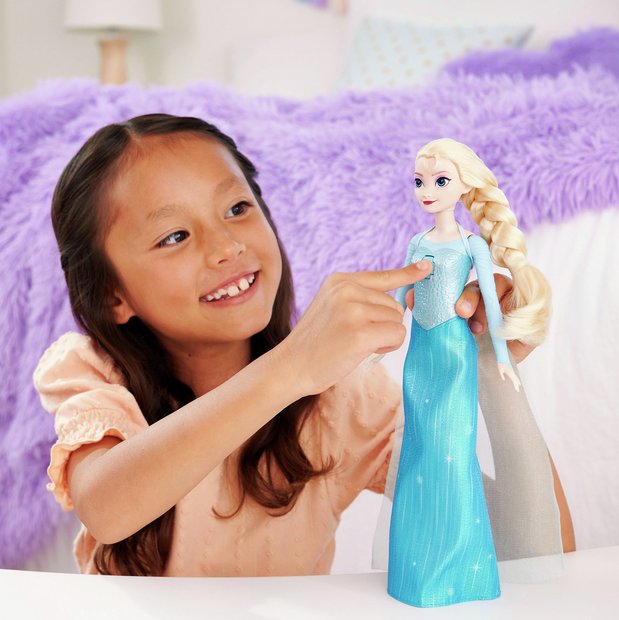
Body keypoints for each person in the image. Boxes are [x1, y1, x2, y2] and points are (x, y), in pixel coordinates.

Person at [33, 115, 573, 577]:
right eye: (174, 236)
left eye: (237, 209)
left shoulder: (342, 402)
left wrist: (491, 373)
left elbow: (533, 553)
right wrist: (290, 368)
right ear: (112, 296)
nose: (227, 247)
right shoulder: (92, 374)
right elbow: (106, 507)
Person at [386, 138, 563, 607]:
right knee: (419, 452)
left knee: (451, 453)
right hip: (420, 354)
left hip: (456, 352)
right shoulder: (417, 242)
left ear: (464, 186)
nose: (427, 191)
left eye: (440, 181)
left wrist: (501, 357)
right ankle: (416, 571)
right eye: (419, 181)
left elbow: (489, 300)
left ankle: (463, 573)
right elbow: (400, 294)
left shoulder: (472, 245)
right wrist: (386, 323)